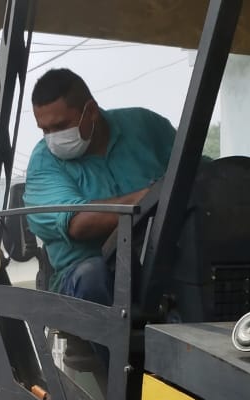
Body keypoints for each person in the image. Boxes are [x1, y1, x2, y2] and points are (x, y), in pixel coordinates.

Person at [23, 68, 176, 304]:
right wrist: (156, 196)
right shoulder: (44, 162)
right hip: (85, 278)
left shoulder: (146, 127)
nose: (53, 138)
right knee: (93, 275)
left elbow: (200, 176)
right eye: (45, 130)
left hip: (162, 260)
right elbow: (79, 223)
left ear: (91, 112)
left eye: (61, 126)